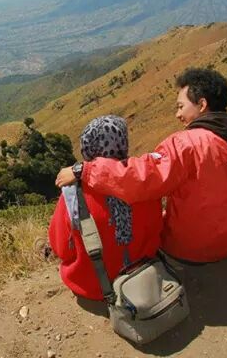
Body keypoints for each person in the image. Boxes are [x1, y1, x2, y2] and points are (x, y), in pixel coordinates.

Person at [55, 68, 227, 264]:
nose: (177, 115)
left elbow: (141, 178)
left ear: (202, 105)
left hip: (190, 250)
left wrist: (85, 169)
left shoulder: (186, 144)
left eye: (181, 106)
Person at [48, 115, 163, 301]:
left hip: (94, 288)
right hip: (145, 275)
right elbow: (157, 228)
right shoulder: (144, 181)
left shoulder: (72, 194)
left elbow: (61, 248)